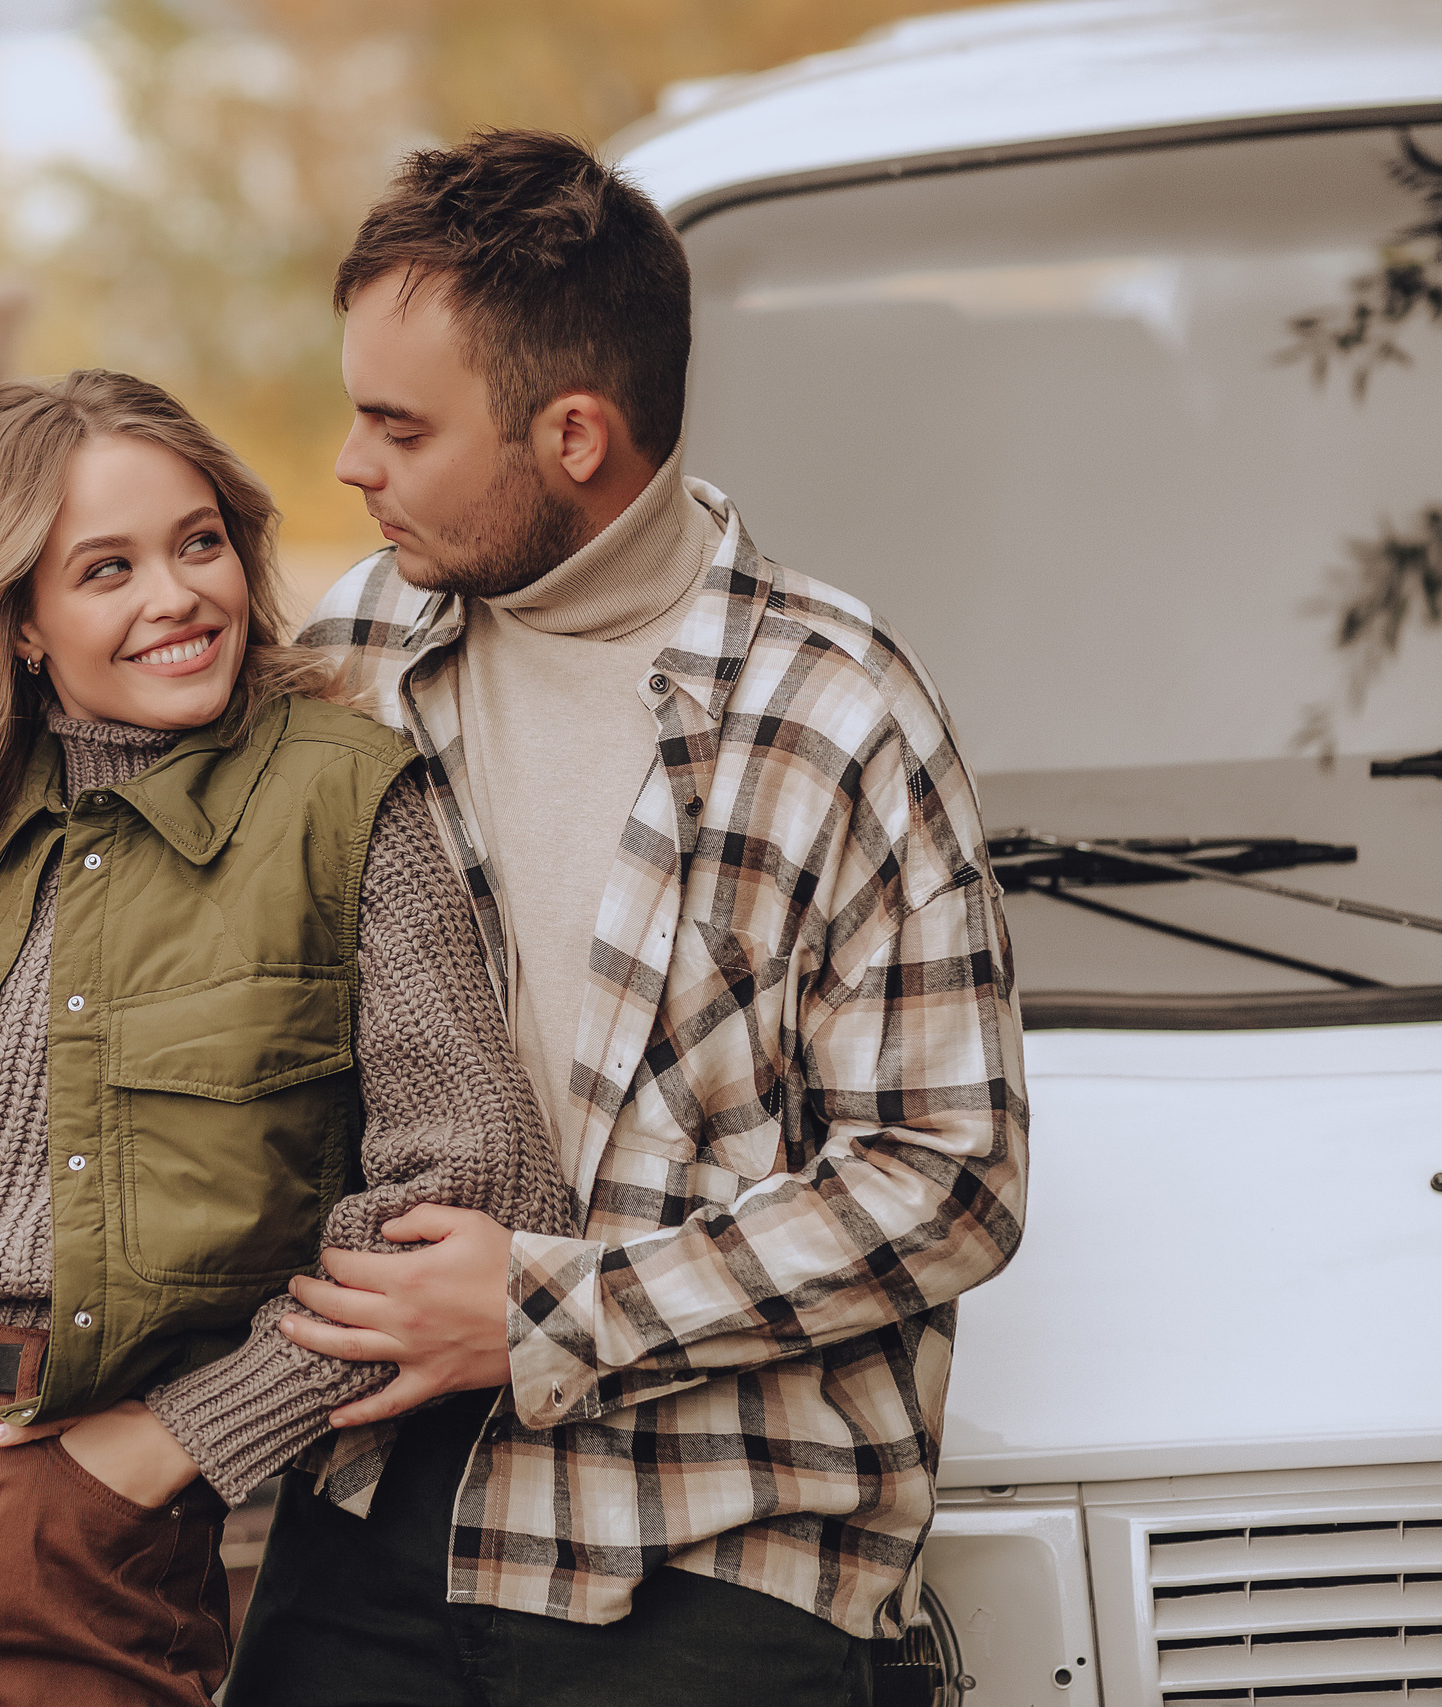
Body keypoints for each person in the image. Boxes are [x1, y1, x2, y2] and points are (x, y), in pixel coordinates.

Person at [208, 130, 1031, 1704]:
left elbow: (948, 1181)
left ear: (573, 433)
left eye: (397, 424)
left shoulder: (838, 714)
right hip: (379, 1513)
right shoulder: (358, 649)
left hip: (718, 1553)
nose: (350, 466)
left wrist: (539, 1310)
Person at [0, 368, 567, 1706]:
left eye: (199, 545)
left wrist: (182, 1439)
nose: (176, 597)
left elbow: (474, 1189)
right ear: (20, 618)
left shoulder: (344, 799)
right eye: (106, 569)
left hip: (79, 1512)